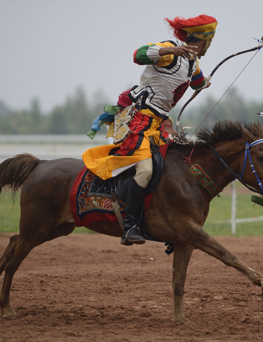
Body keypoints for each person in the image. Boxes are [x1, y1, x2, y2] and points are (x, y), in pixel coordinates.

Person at [83, 14, 217, 245]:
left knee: (174, 168)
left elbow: (197, 82)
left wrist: (205, 83)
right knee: (144, 171)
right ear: (205, 39)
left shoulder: (193, 63)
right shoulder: (170, 50)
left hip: (158, 125)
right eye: (211, 40)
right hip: (138, 121)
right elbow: (139, 55)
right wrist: (170, 52)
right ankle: (129, 226)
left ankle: (169, 225)